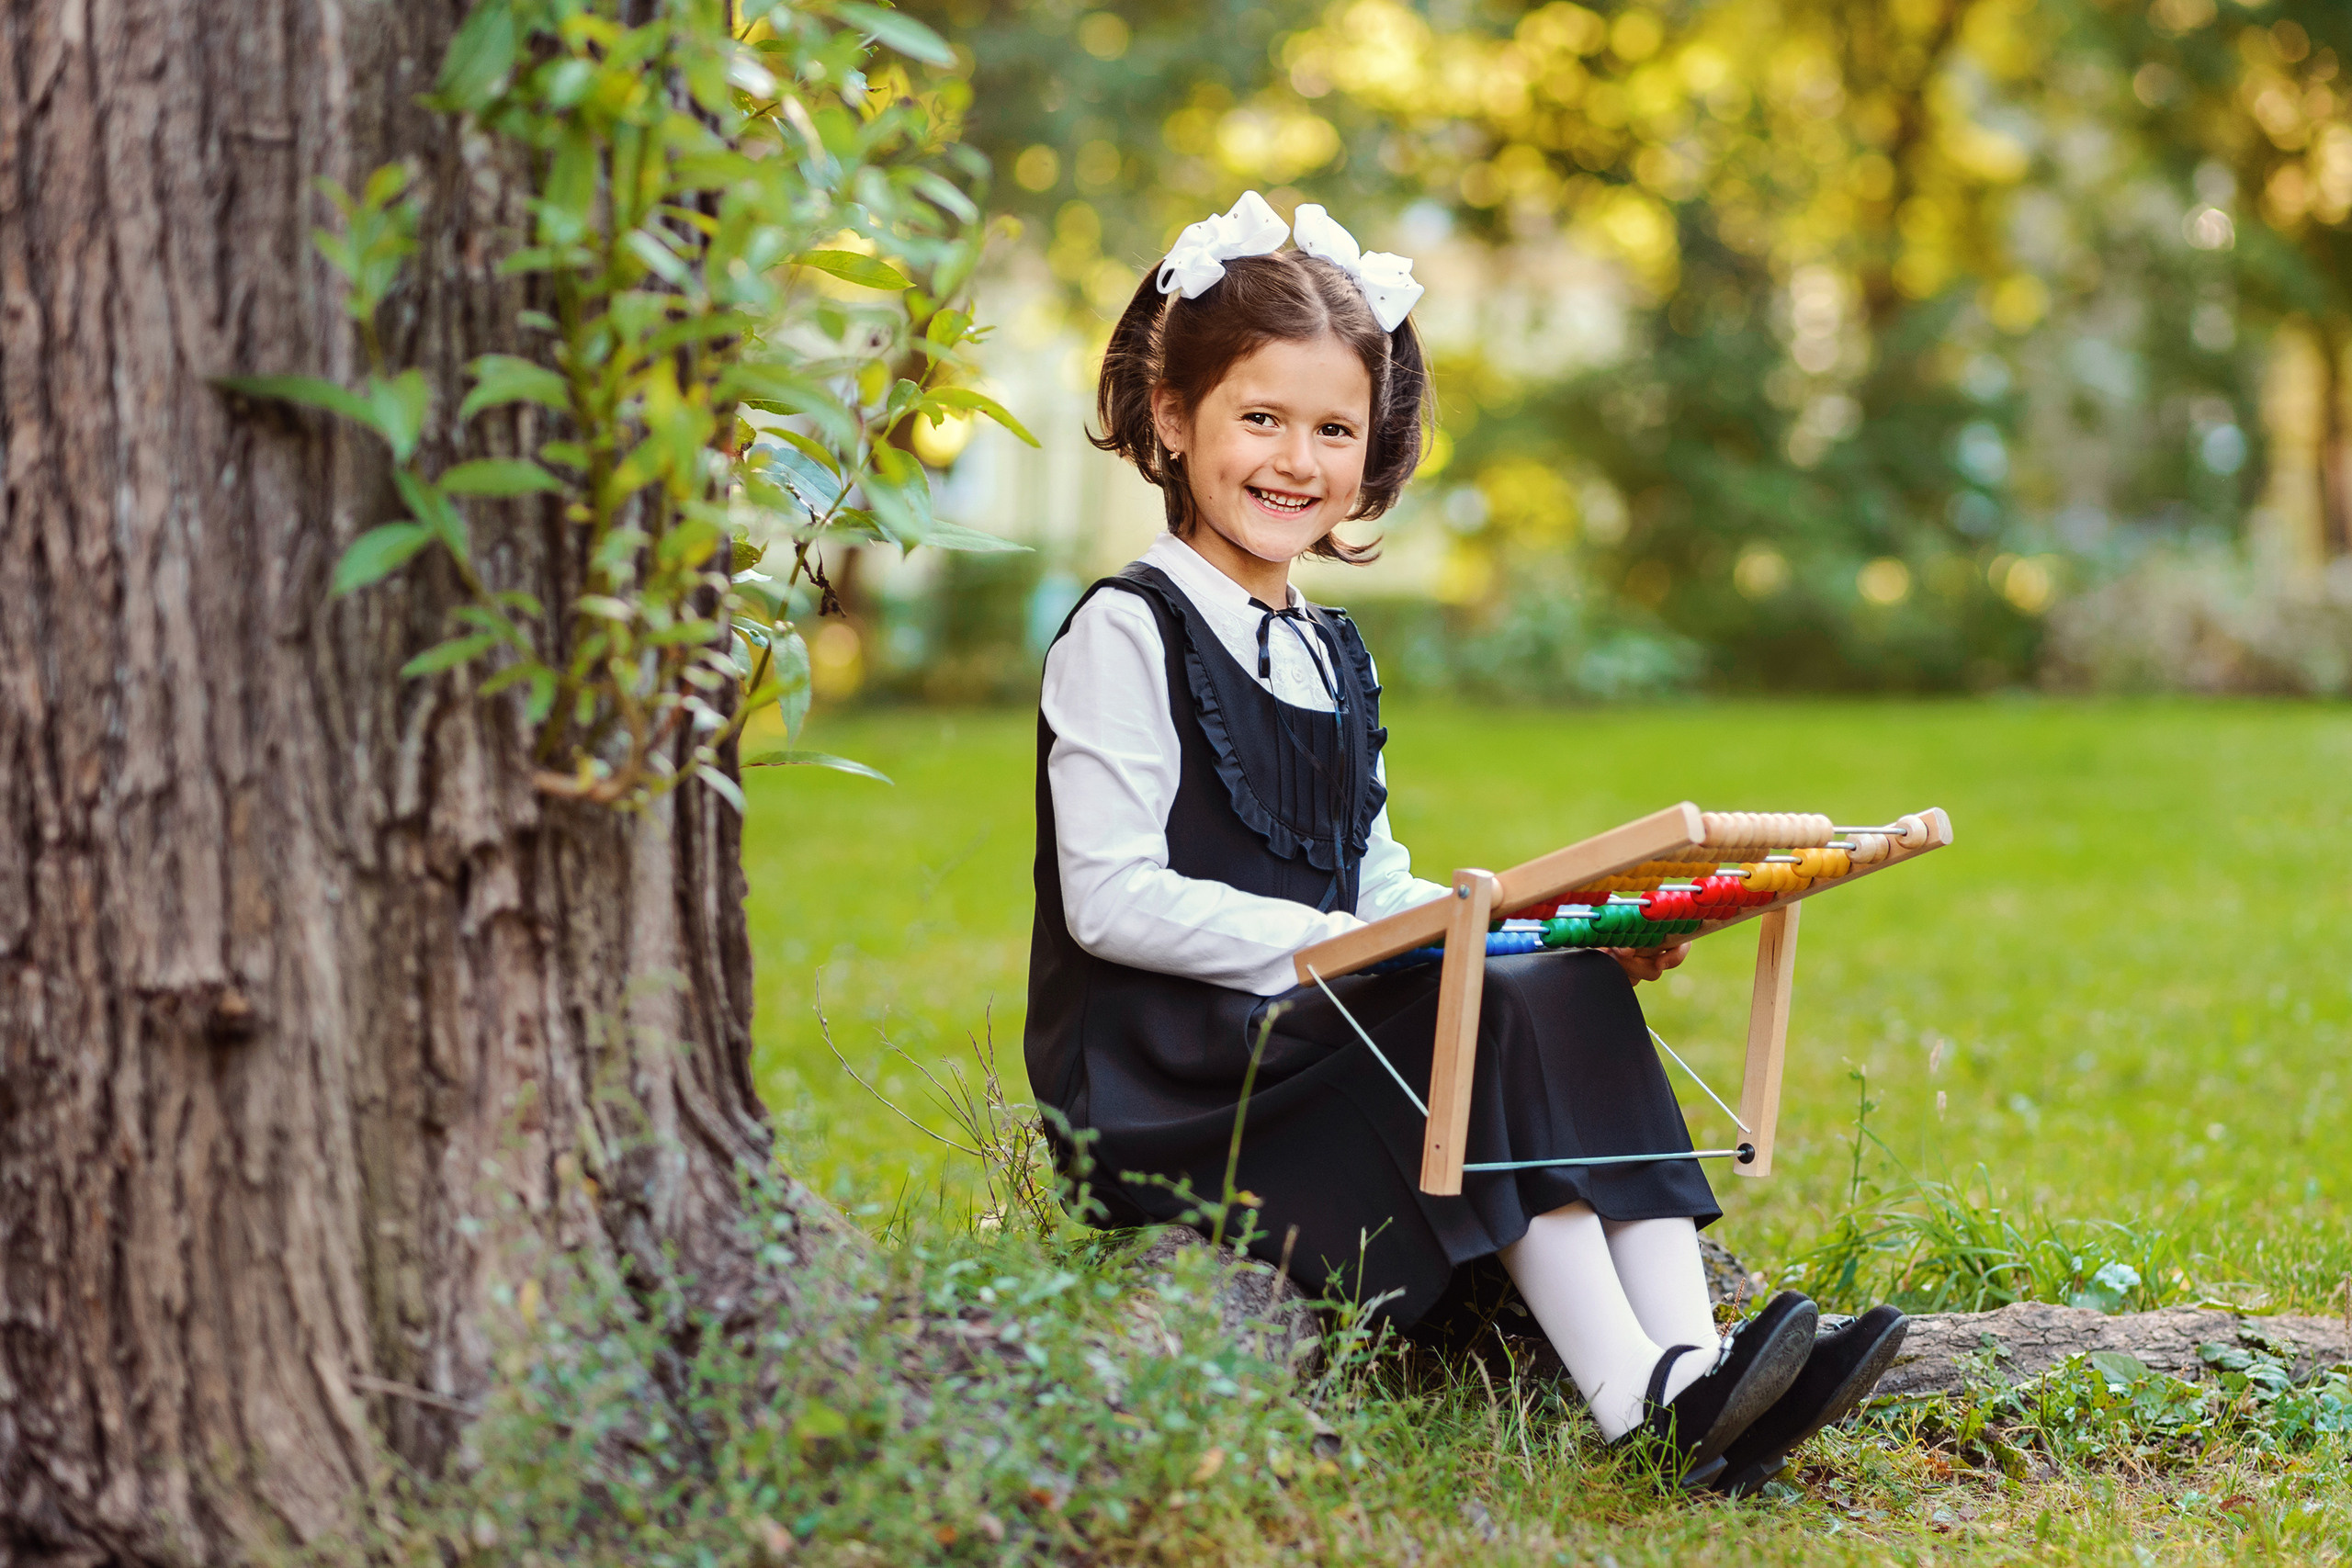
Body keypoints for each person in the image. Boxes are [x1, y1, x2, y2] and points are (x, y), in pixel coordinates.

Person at [1022, 192, 1907, 1490]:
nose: (1295, 460)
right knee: (1462, 995)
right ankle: (1636, 1399)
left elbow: (1377, 874)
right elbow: (1110, 901)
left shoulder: (1331, 650)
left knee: (1550, 978)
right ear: (1173, 418)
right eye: (1260, 418)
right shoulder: (1128, 630)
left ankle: (1697, 1359)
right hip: (1179, 1085)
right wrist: (1378, 951)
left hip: (1315, 1035)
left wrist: (1534, 931)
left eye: (1333, 429)